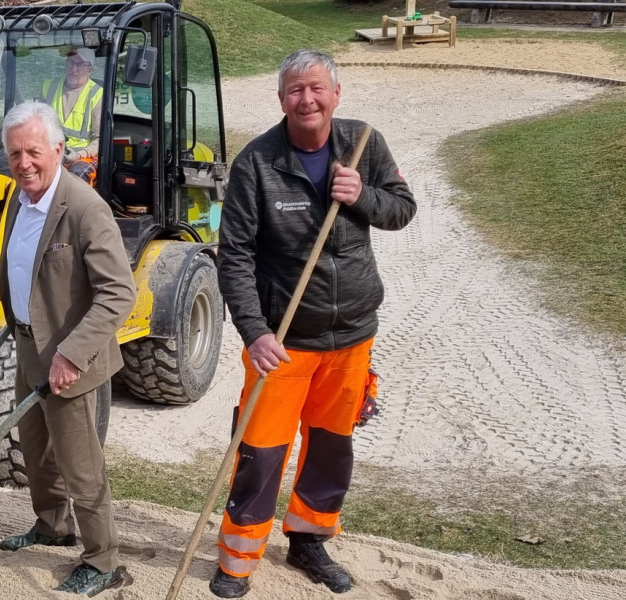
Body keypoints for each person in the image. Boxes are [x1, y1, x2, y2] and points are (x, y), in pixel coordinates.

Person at [210, 49, 416, 598]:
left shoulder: (364, 143)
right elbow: (234, 257)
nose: (307, 99)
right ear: (281, 99)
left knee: (330, 448)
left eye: (317, 88)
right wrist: (254, 332)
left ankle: (308, 541)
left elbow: (402, 209)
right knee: (260, 453)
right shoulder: (256, 164)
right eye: (296, 90)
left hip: (351, 336)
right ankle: (237, 560)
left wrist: (363, 196)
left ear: (336, 94)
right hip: (283, 342)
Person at [0, 101, 136, 596]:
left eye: (34, 151)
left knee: (81, 465)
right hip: (29, 345)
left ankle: (103, 560)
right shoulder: (19, 199)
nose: (24, 163)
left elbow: (119, 292)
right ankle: (53, 526)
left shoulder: (84, 208)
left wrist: (72, 354)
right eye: (15, 153)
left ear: (58, 150)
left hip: (70, 358)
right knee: (36, 452)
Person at [42, 47, 104, 182]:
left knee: (77, 176)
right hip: (51, 150)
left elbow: (100, 140)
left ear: (89, 70)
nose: (73, 69)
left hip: (83, 156)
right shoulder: (50, 86)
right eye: (71, 62)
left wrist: (77, 155)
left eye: (80, 64)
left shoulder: (98, 95)